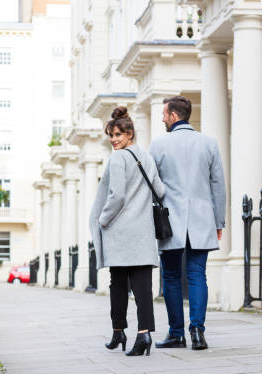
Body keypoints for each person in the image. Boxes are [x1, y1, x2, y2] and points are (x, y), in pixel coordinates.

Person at [149, 95, 226, 350]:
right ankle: (197, 331)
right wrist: (219, 221)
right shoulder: (209, 143)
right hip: (202, 219)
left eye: (164, 114)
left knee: (170, 277)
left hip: (170, 221)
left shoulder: (158, 145)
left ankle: (176, 334)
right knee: (197, 275)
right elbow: (218, 186)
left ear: (173, 115)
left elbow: (152, 186)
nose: (162, 118)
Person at [89, 106, 165, 357]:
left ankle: (118, 330)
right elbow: (160, 191)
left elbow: (117, 195)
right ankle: (144, 334)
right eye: (111, 135)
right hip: (142, 230)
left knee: (118, 285)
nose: (113, 140)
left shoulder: (119, 158)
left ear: (130, 134)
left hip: (120, 231)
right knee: (142, 286)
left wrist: (103, 219)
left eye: (118, 135)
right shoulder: (146, 156)